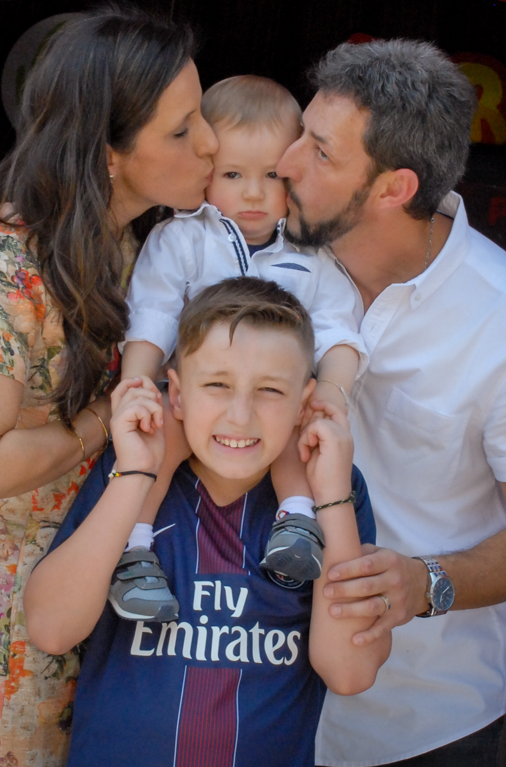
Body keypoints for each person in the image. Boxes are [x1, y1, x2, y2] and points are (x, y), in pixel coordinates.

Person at [0, 6, 218, 767]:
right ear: (110, 154)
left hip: (113, 594)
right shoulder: (11, 262)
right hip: (6, 619)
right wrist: (102, 425)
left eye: (201, 116)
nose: (210, 143)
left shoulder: (139, 248)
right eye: (182, 131)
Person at [275, 37, 506, 767]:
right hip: (247, 684)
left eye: (319, 153)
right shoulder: (264, 259)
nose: (286, 165)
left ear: (393, 188)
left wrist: (427, 583)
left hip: (418, 723)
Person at [24, 277, 390, 767]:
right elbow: (51, 629)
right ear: (175, 394)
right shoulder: (136, 473)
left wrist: (331, 498)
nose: (240, 416)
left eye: (269, 390)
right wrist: (135, 474)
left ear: (305, 403)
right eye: (217, 385)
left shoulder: (335, 491)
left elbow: (349, 672)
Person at [114, 76, 365, 619]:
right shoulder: (184, 239)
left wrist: (335, 394)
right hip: (195, 400)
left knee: (301, 420)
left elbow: (340, 330)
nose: (252, 193)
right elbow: (152, 315)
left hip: (272, 402)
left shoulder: (308, 255)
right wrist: (136, 385)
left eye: (271, 176)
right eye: (233, 175)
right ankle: (134, 551)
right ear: (206, 173)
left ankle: (297, 523)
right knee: (160, 434)